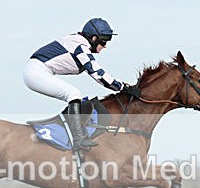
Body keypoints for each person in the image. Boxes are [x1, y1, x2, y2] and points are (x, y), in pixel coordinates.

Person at [23, 18, 127, 151]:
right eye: (104, 42)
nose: (105, 46)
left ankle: (68, 130)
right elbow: (97, 73)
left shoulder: (79, 42)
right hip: (36, 72)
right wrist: (121, 87)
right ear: (94, 38)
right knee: (73, 94)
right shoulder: (80, 46)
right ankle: (79, 139)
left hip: (37, 70)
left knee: (74, 95)